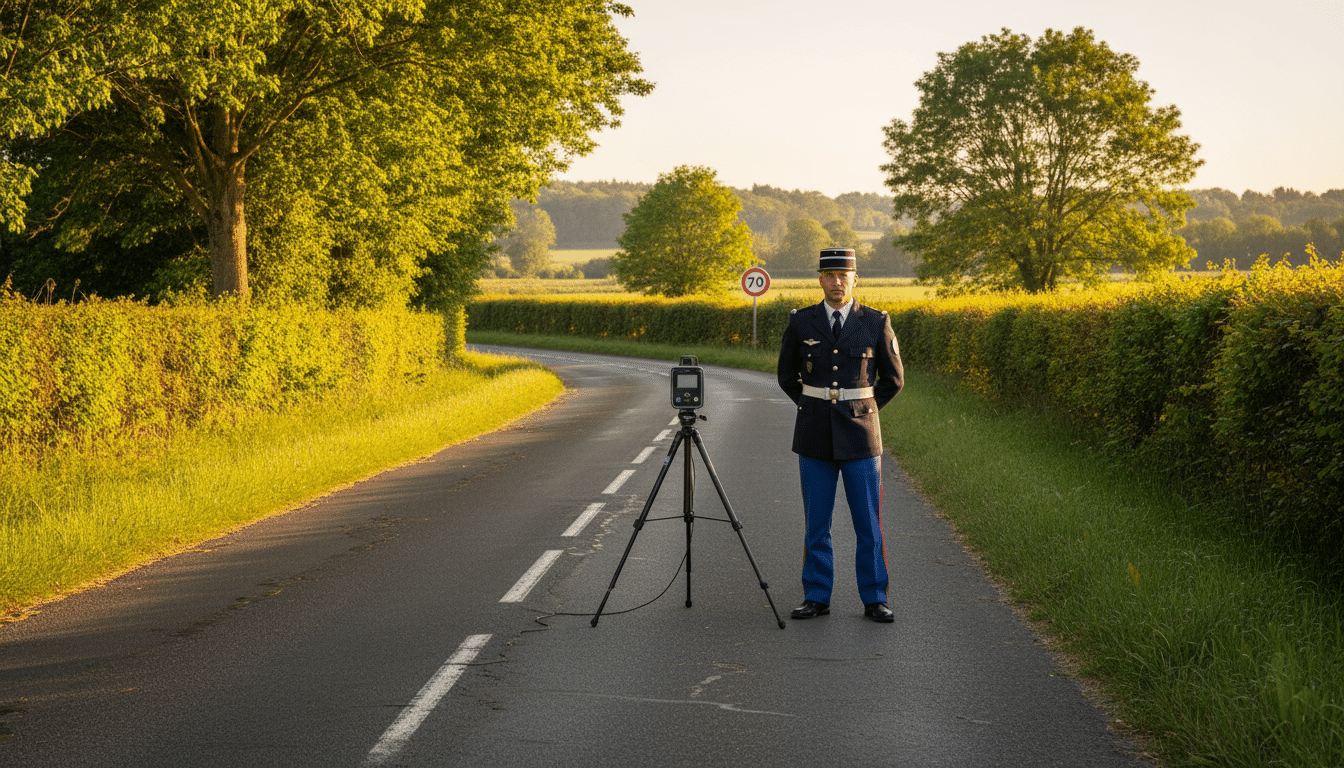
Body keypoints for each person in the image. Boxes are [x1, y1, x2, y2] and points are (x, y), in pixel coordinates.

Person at [776, 248, 904, 623]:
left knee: (868, 523)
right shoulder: (801, 322)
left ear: (854, 280)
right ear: (820, 279)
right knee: (817, 523)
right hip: (814, 433)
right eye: (829, 276)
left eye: (843, 276)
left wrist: (862, 409)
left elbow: (893, 381)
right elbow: (786, 376)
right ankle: (816, 595)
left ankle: (874, 597)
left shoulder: (876, 322)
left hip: (862, 436)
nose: (836, 282)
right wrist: (813, 406)